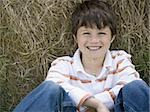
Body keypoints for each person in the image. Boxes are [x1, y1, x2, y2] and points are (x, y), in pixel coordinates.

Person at [13, 0, 149, 112]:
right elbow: (54, 84)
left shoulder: (120, 59)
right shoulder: (63, 64)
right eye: (86, 33)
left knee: (136, 87)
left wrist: (89, 103)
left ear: (112, 37)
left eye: (101, 33)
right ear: (75, 37)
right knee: (50, 89)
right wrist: (97, 105)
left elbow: (129, 81)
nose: (94, 40)